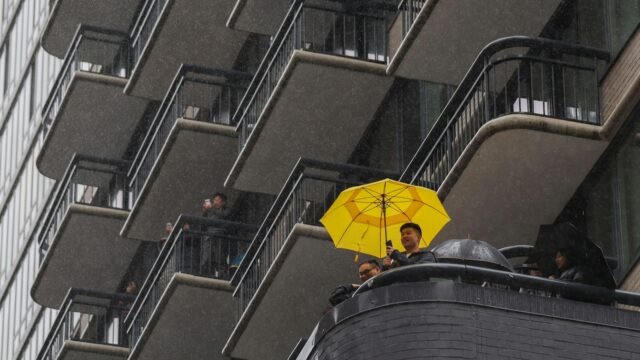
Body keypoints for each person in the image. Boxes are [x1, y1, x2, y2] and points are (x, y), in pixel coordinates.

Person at [200, 193, 232, 277]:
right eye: (214, 200)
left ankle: (223, 275)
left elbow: (225, 215)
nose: (215, 202)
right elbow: (202, 225)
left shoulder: (226, 210)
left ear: (223, 202)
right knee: (207, 260)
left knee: (220, 259)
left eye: (218, 200)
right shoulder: (211, 213)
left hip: (219, 238)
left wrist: (211, 209)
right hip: (209, 239)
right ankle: (207, 276)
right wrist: (204, 212)